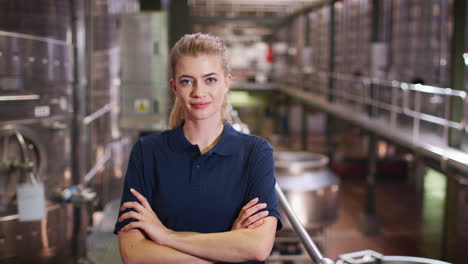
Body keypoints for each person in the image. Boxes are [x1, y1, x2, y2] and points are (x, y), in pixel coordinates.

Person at [114, 33, 282, 264]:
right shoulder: (147, 152)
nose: (198, 92)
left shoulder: (255, 152)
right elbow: (133, 253)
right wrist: (229, 249)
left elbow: (258, 247)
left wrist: (165, 236)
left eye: (210, 80)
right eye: (187, 81)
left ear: (227, 82)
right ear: (174, 86)